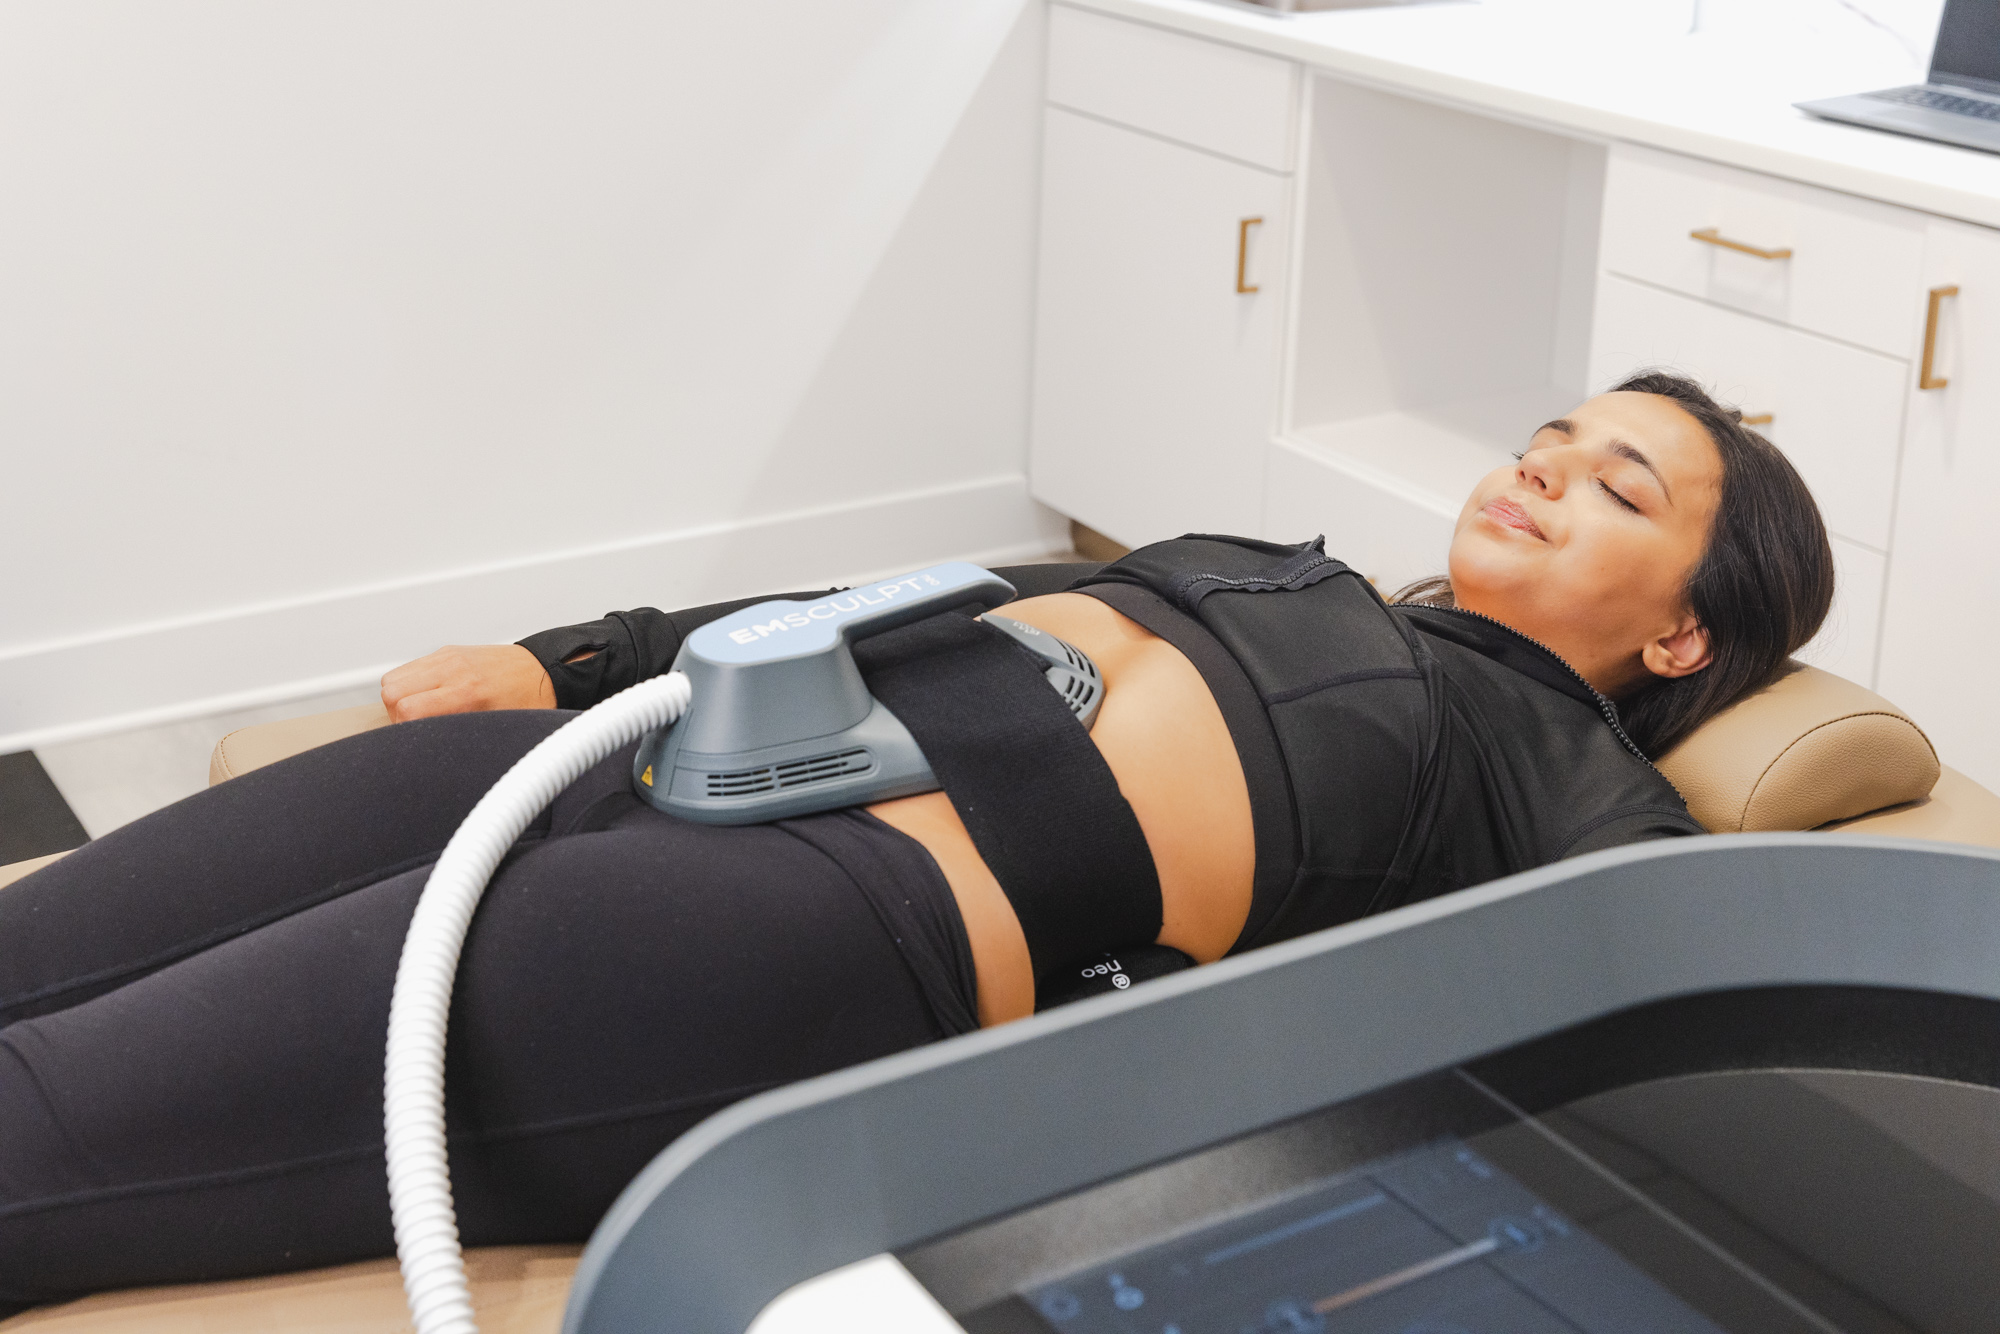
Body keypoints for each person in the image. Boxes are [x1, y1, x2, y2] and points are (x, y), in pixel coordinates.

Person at [0, 372, 1832, 1309]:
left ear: (1687, 634)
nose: (1544, 467)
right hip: (633, 757)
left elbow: (1734, 997)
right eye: (1548, 438)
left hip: (817, 918)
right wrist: (575, 660)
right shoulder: (1285, 569)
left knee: (44, 1125)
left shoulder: (1554, 775)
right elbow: (910, 597)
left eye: (1621, 485)